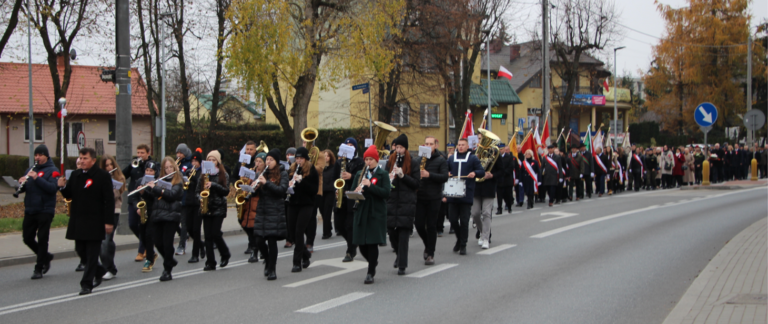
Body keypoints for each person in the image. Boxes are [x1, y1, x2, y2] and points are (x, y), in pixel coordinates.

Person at [58, 148, 115, 295]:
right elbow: (69, 194)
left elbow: (109, 200)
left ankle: (86, 284)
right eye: (80, 158)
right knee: (80, 250)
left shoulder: (102, 176)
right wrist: (62, 187)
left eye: (85, 158)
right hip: (79, 219)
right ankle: (100, 269)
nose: (81, 161)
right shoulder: (76, 175)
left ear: (93, 160)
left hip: (95, 220)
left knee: (91, 254)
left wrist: (108, 222)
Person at [351, 145, 391, 284]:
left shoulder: (383, 174)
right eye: (366, 159)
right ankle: (373, 262)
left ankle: (370, 273)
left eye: (371, 159)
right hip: (361, 211)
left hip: (376, 211)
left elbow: (386, 193)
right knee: (361, 244)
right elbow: (351, 193)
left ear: (376, 160)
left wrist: (370, 186)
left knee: (372, 243)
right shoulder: (359, 174)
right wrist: (356, 191)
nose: (368, 162)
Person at [19, 144, 59, 280]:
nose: (38, 157)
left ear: (46, 156)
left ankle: (39, 267)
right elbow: (28, 187)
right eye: (36, 155)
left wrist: (37, 178)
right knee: (27, 238)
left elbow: (52, 188)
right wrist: (21, 183)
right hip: (31, 209)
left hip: (45, 209)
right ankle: (46, 256)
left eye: (40, 155)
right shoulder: (30, 169)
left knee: (42, 239)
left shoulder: (53, 171)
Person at [143, 157, 184, 281]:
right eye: (166, 168)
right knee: (158, 242)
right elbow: (153, 198)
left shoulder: (178, 182)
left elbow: (171, 195)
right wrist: (144, 191)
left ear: (174, 168)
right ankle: (170, 260)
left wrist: (156, 188)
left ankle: (167, 270)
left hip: (171, 216)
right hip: (158, 215)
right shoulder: (159, 180)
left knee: (167, 244)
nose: (168, 170)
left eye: (170, 167)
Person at [385, 135, 419, 274]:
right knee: (392, 233)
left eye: (401, 148)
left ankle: (402, 265)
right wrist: (389, 177)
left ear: (405, 148)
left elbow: (416, 184)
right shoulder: (390, 160)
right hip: (392, 201)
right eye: (396, 147)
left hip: (407, 202)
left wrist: (403, 176)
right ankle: (399, 255)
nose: (398, 150)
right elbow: (384, 180)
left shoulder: (413, 162)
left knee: (403, 235)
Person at [252, 149, 289, 280]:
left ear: (276, 161)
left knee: (272, 241)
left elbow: (282, 191)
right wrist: (252, 188)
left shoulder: (283, 174)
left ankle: (272, 268)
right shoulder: (262, 174)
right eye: (267, 159)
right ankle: (267, 261)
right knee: (259, 240)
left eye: (271, 160)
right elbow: (255, 193)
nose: (268, 162)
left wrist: (266, 183)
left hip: (275, 210)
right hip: (262, 210)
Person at [414, 136, 449, 264]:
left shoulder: (441, 160)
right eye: (426, 143)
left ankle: (431, 254)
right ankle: (427, 244)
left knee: (431, 226)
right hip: (420, 197)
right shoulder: (418, 160)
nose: (428, 146)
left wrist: (429, 175)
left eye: (431, 144)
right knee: (418, 224)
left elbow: (445, 177)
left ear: (436, 145)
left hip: (434, 197)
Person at [446, 138, 484, 255]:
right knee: (452, 219)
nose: (461, 147)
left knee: (464, 221)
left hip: (466, 194)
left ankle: (463, 244)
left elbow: (481, 171)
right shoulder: (452, 158)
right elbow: (445, 169)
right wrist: (446, 172)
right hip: (453, 194)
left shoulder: (472, 158)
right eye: (459, 145)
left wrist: (475, 173)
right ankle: (459, 238)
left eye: (463, 145)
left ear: (467, 146)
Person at [285, 147, 319, 272]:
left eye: (301, 159)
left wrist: (302, 181)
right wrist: (289, 185)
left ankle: (296, 262)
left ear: (306, 159)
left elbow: (314, 190)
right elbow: (286, 185)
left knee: (299, 231)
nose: (299, 161)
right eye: (297, 158)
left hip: (306, 204)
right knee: (292, 233)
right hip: (293, 204)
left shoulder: (312, 170)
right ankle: (306, 254)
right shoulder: (292, 169)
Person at [121, 144, 154, 262]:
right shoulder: (134, 165)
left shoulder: (151, 165)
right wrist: (131, 166)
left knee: (143, 225)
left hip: (146, 199)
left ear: (148, 153)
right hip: (134, 198)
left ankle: (142, 251)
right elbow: (123, 175)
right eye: (138, 153)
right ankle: (147, 243)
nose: (139, 155)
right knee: (132, 224)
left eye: (142, 153)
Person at [200, 150, 231, 271]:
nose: (211, 162)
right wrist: (200, 199)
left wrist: (213, 185)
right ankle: (210, 262)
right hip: (206, 207)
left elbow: (226, 191)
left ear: (218, 161)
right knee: (207, 236)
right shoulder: (203, 174)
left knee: (215, 233)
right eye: (209, 160)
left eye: (213, 160)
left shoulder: (224, 174)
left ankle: (225, 253)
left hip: (219, 207)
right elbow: (198, 191)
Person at [334, 138, 365, 262]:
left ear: (355, 148)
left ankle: (350, 251)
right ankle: (353, 243)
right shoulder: (339, 163)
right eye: (346, 145)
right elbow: (333, 179)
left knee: (349, 226)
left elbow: (361, 178)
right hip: (340, 196)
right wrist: (335, 188)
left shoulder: (360, 162)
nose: (349, 147)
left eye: (351, 145)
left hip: (352, 197)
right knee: (339, 226)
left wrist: (351, 176)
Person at [99, 155, 125, 280]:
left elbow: (114, 194)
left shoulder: (119, 178)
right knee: (105, 241)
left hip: (114, 211)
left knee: (105, 241)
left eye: (111, 165)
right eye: (106, 166)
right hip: (100, 212)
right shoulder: (100, 177)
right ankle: (109, 267)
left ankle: (109, 268)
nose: (109, 167)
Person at [472, 139, 502, 249]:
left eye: (482, 139)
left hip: (488, 187)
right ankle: (482, 232)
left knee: (486, 213)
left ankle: (485, 238)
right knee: (475, 213)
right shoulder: (474, 153)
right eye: (479, 139)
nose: (480, 141)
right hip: (476, 187)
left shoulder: (494, 153)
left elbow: (501, 171)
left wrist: (492, 175)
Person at [241, 151, 266, 263]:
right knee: (250, 228)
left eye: (260, 161)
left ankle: (256, 251)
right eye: (256, 161)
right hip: (249, 204)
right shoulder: (252, 172)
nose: (257, 163)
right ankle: (254, 249)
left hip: (258, 204)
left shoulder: (265, 175)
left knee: (257, 230)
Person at [237, 141, 260, 256]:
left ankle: (253, 244)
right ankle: (252, 242)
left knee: (251, 221)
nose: (249, 151)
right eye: (247, 149)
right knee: (241, 219)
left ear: (255, 150)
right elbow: (234, 175)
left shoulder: (257, 161)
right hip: (242, 193)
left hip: (253, 194)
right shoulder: (242, 161)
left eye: (251, 149)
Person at [137, 162, 159, 273]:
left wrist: (144, 192)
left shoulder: (157, 183)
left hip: (152, 211)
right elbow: (134, 195)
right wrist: (137, 206)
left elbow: (154, 198)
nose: (149, 173)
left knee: (148, 235)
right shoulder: (140, 181)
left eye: (151, 171)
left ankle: (149, 259)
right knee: (141, 233)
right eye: (147, 171)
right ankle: (151, 253)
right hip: (142, 211)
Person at [184, 150, 205, 263]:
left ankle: (195, 255)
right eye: (192, 161)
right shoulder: (188, 171)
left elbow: (201, 183)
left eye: (196, 161)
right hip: (188, 202)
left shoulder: (202, 172)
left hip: (198, 203)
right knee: (188, 228)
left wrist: (193, 178)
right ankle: (201, 245)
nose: (194, 163)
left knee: (196, 229)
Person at [174, 143, 193, 255]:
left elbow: (188, 176)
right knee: (174, 220)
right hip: (176, 195)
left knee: (184, 222)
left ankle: (182, 246)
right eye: (178, 153)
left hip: (185, 196)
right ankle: (183, 234)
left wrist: (179, 172)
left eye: (181, 153)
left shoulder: (189, 163)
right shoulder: (176, 163)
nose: (179, 155)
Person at [319, 150, 336, 239]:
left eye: (327, 156)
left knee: (327, 211)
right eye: (324, 156)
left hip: (330, 192)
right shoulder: (320, 168)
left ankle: (326, 232)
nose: (326, 157)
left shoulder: (333, 167)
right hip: (321, 192)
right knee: (322, 211)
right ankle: (328, 226)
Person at [497, 145, 516, 213]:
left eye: (501, 149)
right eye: (499, 149)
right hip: (499, 180)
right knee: (499, 195)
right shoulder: (496, 157)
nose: (500, 150)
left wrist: (502, 172)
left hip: (507, 179)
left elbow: (511, 167)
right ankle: (499, 209)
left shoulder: (509, 157)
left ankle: (509, 206)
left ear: (504, 149)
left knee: (507, 194)